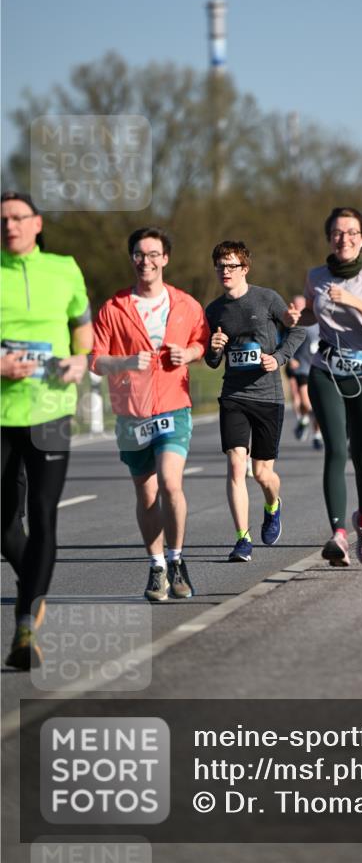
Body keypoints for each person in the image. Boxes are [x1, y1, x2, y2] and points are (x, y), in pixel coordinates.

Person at [91, 227, 209, 602]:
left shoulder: (186, 305)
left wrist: (188, 354)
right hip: (132, 413)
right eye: (140, 254)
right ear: (132, 259)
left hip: (173, 404)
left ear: (166, 259)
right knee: (146, 496)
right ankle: (156, 565)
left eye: (154, 254)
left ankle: (176, 559)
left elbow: (203, 342)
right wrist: (125, 361)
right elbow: (95, 360)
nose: (147, 261)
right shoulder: (114, 308)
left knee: (171, 485)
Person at [1, 191, 92, 669]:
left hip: (51, 408)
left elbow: (81, 324)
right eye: (3, 220)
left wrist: (80, 358)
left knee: (43, 514)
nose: (10, 226)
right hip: (1, 412)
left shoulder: (64, 268)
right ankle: (33, 582)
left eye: (18, 218)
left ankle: (25, 625)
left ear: (37, 223)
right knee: (3, 527)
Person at [286, 207, 362, 567]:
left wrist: (354, 301)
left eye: (352, 232)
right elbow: (312, 315)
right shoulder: (316, 276)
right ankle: (338, 534)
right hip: (326, 369)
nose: (344, 239)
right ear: (329, 238)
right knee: (335, 449)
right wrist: (296, 318)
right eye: (337, 232)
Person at [204, 240, 305, 562]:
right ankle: (242, 539)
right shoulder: (214, 310)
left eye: (231, 266)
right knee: (236, 465)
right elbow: (211, 361)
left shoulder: (267, 298)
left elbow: (298, 331)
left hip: (268, 396)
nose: (225, 272)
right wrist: (215, 348)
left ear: (244, 268)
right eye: (220, 266)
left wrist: (279, 358)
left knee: (262, 474)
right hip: (233, 395)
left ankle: (272, 506)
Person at [287, 295, 323, 448]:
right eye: (296, 305)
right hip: (302, 367)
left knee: (319, 407)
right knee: (306, 403)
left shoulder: (320, 322)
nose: (298, 308)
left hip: (318, 367)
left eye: (301, 305)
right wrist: (291, 359)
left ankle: (316, 435)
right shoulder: (293, 325)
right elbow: (285, 343)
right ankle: (303, 419)